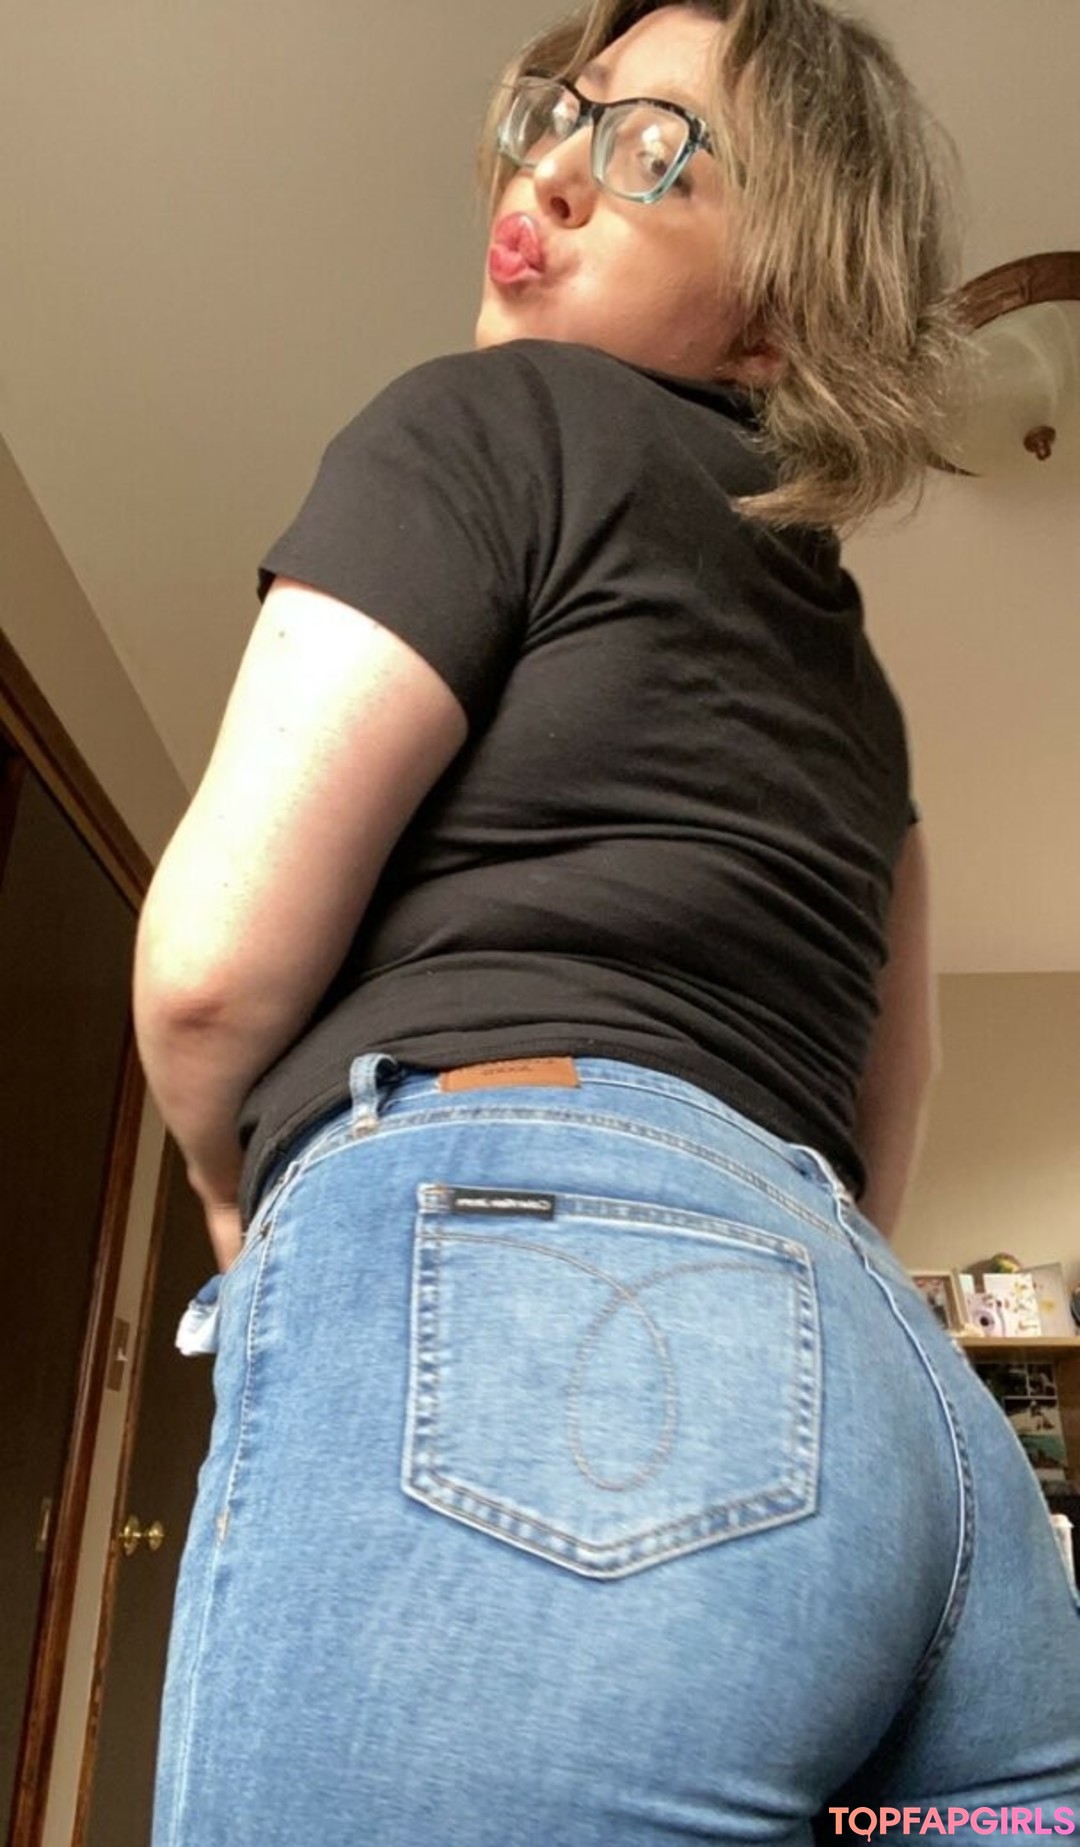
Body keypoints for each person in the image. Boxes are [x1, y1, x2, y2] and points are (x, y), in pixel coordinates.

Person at [134, 2, 1080, 1841]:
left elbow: (205, 974)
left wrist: (244, 1208)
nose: (558, 172)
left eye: (659, 154)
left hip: (547, 1299)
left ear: (777, 318)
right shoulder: (866, 710)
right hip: (937, 1444)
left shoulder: (482, 421)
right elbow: (887, 1119)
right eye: (557, 118)